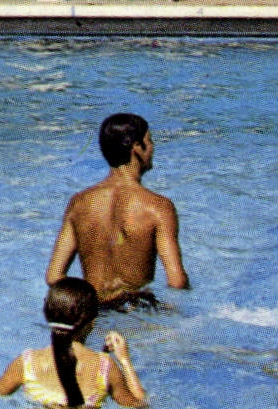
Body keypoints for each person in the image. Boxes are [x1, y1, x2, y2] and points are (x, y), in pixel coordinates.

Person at [46, 113, 188, 308]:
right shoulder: (158, 207)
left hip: (95, 312)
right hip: (136, 311)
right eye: (150, 141)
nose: (153, 148)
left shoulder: (79, 203)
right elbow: (176, 282)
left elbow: (53, 276)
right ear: (136, 147)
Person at [0, 277, 148, 409]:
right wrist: (124, 360)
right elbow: (139, 404)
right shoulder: (104, 366)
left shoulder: (26, 362)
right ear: (92, 321)